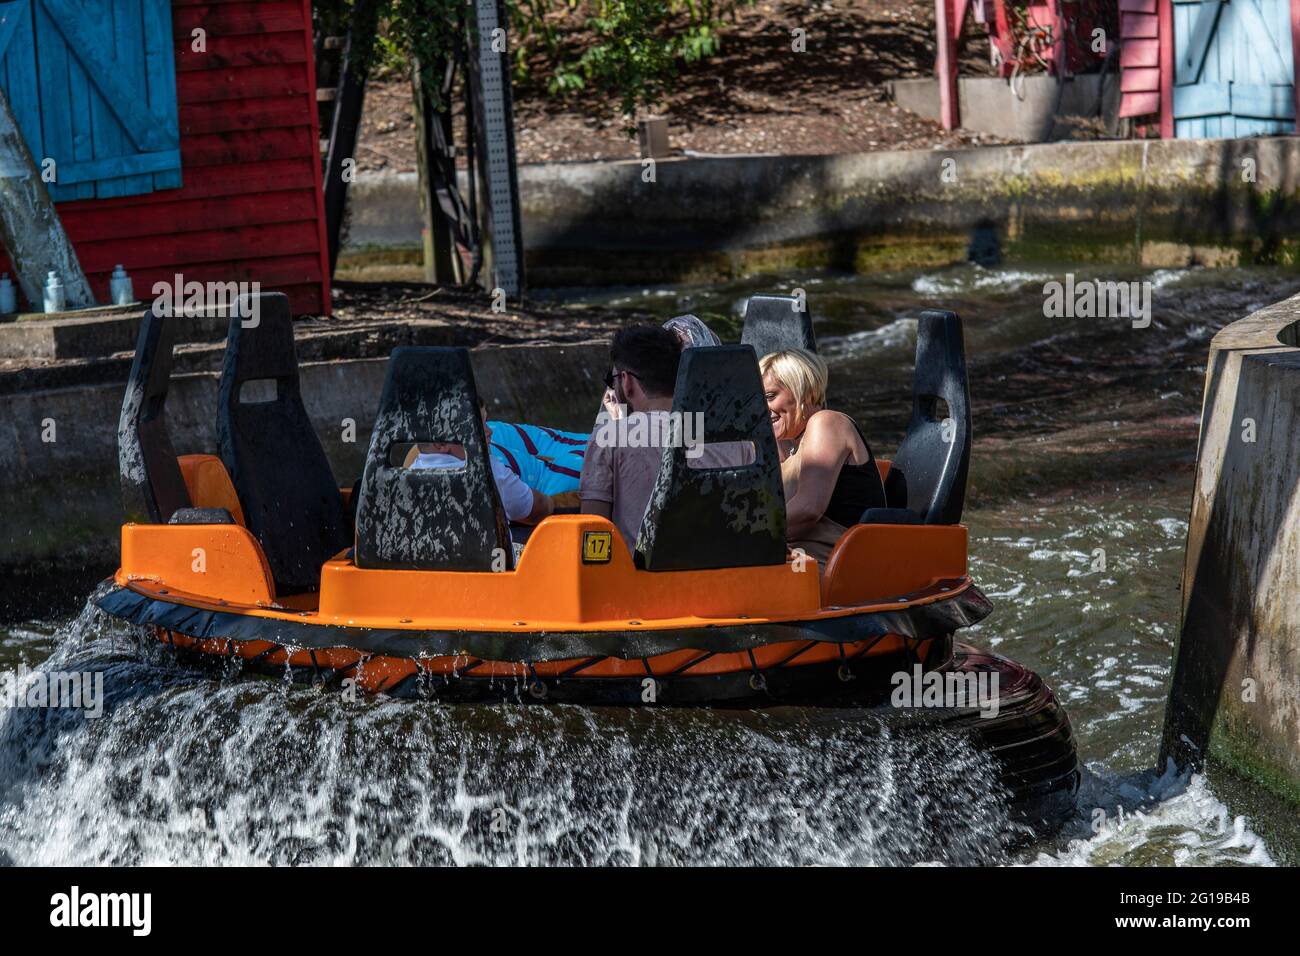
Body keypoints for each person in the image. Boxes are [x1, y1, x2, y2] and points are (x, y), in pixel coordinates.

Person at [760, 348, 886, 565]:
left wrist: (745, 534)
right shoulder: (786, 446)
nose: (763, 408)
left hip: (834, 564)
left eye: (771, 396)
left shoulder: (827, 423)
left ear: (804, 391)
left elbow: (809, 509)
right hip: (795, 558)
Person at [579, 324, 685, 552]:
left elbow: (593, 542)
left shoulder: (608, 439)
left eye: (612, 379)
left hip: (639, 582)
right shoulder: (731, 438)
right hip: (727, 580)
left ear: (626, 381)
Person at [407, 402, 553, 526]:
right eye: (478, 426)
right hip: (488, 558)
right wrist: (557, 501)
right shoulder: (488, 472)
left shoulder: (407, 474)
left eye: (486, 423)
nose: (489, 431)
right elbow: (537, 509)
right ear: (441, 443)